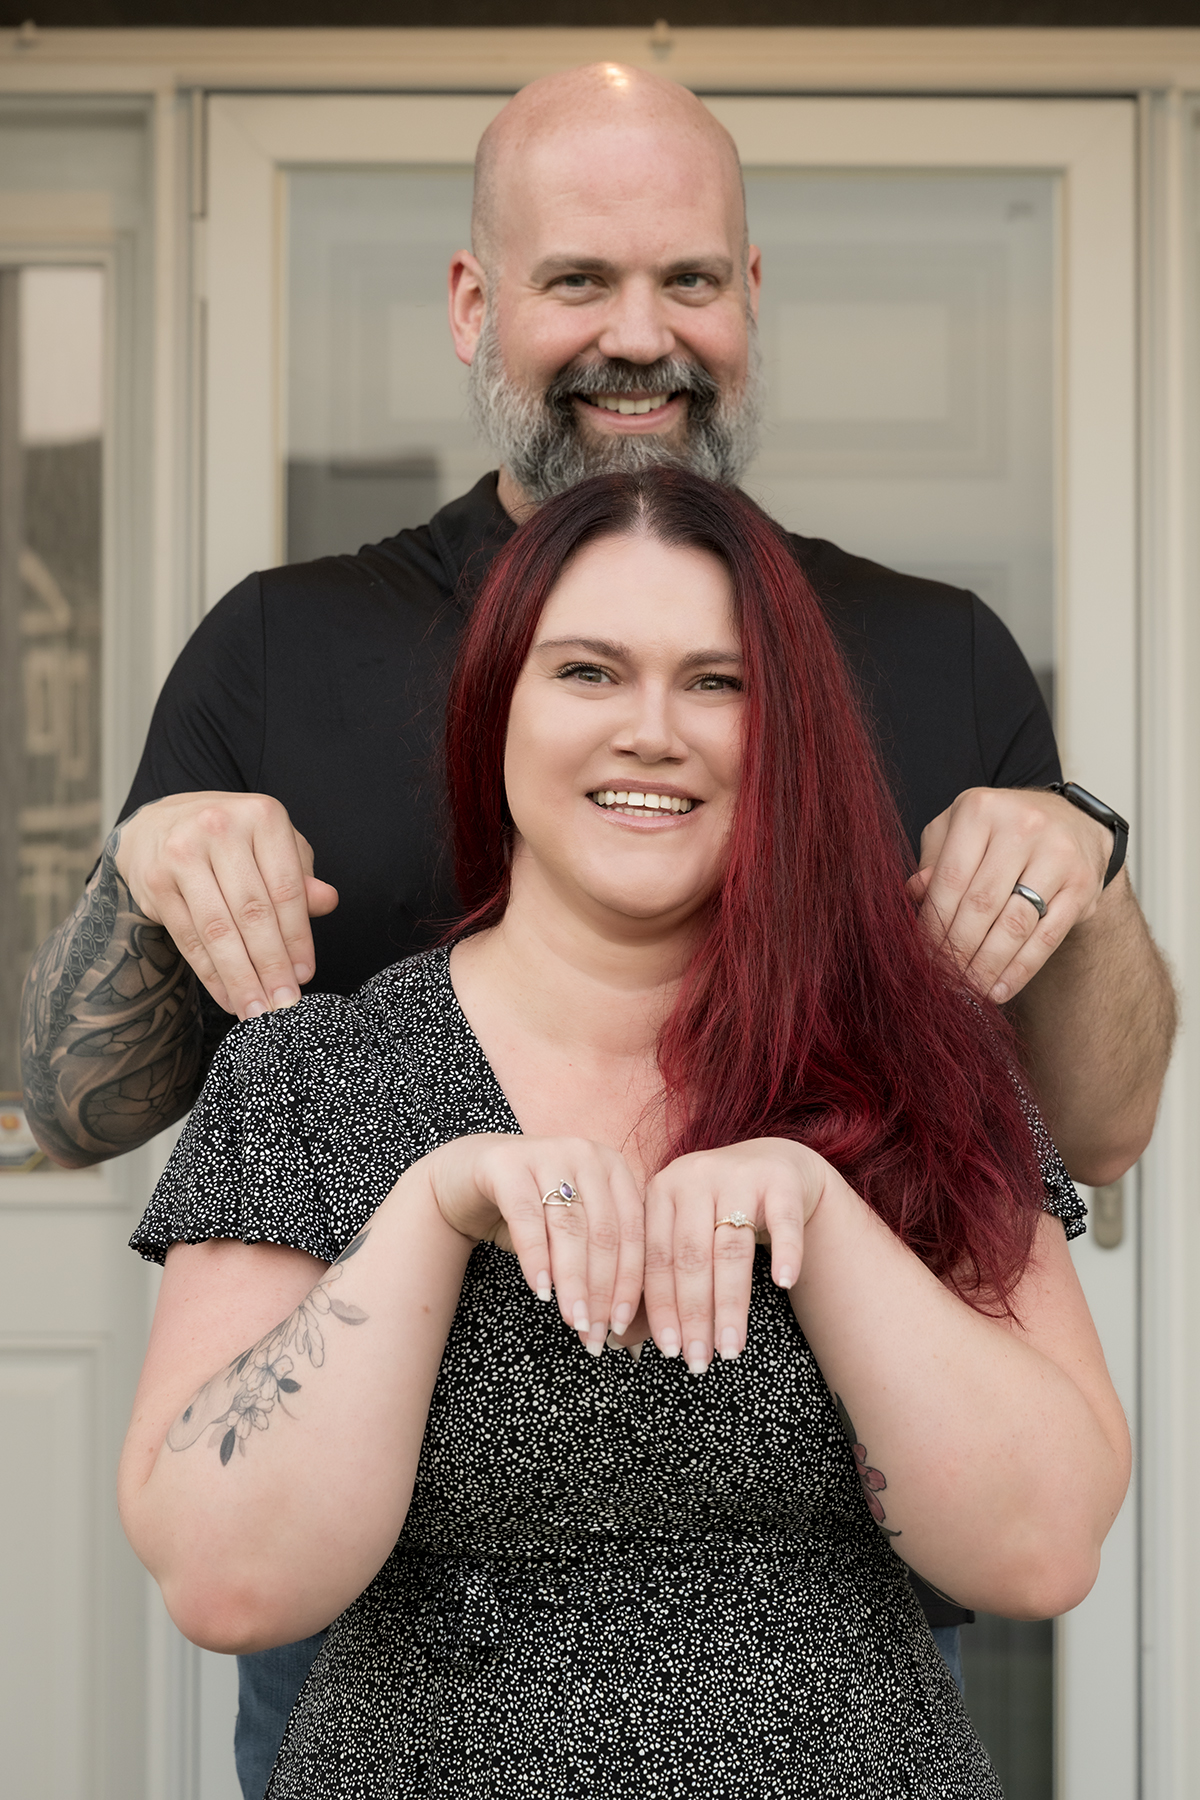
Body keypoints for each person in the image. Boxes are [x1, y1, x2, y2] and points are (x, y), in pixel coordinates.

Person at [21, 58, 1172, 1797]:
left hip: (842, 1660)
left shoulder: (933, 670)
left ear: (750, 295)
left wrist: (1085, 875)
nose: (642, 334)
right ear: (474, 304)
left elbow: (1098, 1138)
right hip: (385, 1628)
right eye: (579, 279)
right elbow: (79, 1117)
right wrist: (143, 870)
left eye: (688, 279)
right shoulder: (283, 664)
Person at [119, 469, 1131, 1800]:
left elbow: (1040, 1550)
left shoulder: (927, 1065)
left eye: (718, 683)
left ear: (788, 735)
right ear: (498, 708)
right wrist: (430, 1211)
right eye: (589, 672)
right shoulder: (306, 1078)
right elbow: (228, 1581)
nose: (653, 731)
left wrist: (822, 1214)